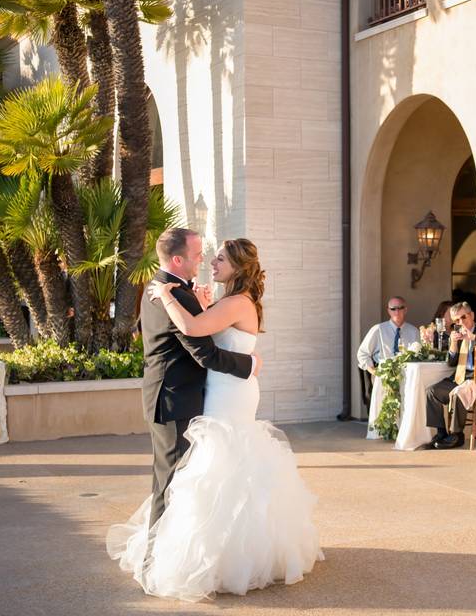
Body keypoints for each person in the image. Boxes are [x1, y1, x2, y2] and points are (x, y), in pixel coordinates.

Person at [108, 234, 323, 601]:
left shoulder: (232, 301)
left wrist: (174, 298)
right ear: (177, 260)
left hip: (229, 393)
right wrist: (194, 305)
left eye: (219, 258)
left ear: (238, 267)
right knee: (204, 473)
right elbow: (202, 337)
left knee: (219, 468)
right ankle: (186, 555)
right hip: (200, 394)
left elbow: (195, 333)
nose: (209, 261)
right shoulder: (212, 297)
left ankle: (218, 556)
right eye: (203, 254)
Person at [422, 302, 476, 450]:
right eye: (457, 320)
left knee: (458, 393)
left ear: (472, 315)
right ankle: (441, 433)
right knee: (431, 392)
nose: (461, 322)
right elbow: (451, 363)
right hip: (459, 377)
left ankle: (457, 435)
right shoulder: (458, 334)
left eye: (464, 317)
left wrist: (474, 338)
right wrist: (454, 344)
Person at [351, 296, 420, 420]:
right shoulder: (378, 330)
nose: (397, 312)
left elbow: (418, 356)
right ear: (388, 310)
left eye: (400, 308)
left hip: (407, 375)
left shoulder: (414, 331)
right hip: (383, 374)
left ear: (406, 310)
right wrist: (374, 371)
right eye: (393, 309)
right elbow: (362, 353)